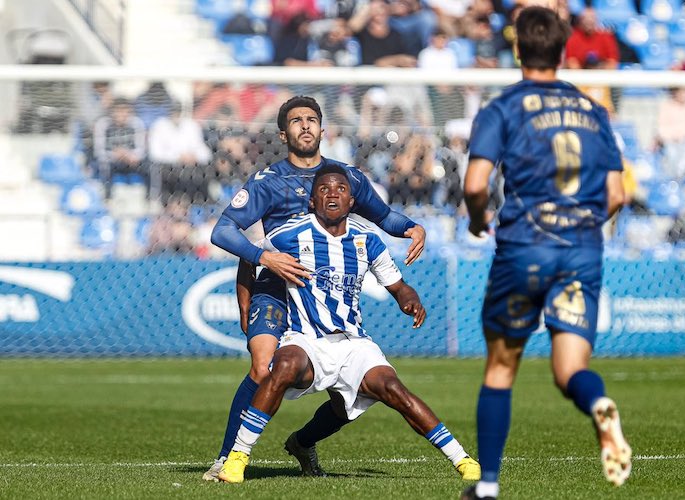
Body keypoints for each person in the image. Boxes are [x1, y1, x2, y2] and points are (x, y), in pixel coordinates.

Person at [206, 95, 428, 481]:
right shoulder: (268, 181)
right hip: (278, 286)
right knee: (262, 368)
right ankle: (228, 459)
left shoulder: (347, 177)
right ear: (283, 132)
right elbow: (222, 230)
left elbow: (385, 216)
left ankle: (303, 442)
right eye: (296, 121)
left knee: (353, 398)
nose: (305, 125)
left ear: (323, 129)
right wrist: (264, 258)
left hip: (328, 293)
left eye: (312, 119)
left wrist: (412, 227)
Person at [217, 164, 481, 483]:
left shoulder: (367, 241)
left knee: (390, 389)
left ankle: (462, 460)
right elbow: (250, 254)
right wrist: (245, 302)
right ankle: (236, 459)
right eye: (324, 189)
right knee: (283, 366)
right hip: (305, 340)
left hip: (354, 343)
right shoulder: (290, 235)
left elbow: (398, 286)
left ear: (351, 201)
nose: (333, 194)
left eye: (341, 189)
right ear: (312, 201)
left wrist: (409, 299)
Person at [460, 7, 631, 500]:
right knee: (570, 371)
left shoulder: (503, 107)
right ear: (562, 51)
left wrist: (477, 220)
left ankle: (487, 486)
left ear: (517, 50)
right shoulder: (594, 110)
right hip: (580, 250)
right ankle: (597, 402)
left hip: (523, 249)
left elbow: (476, 185)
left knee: (501, 368)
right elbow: (616, 195)